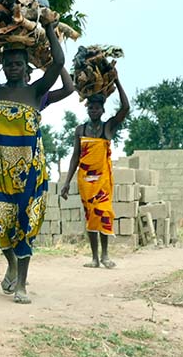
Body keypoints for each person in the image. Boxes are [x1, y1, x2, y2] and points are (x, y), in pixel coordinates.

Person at [0, 20, 66, 304]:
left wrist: (50, 29)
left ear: (26, 66)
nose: (13, 68)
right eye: (8, 64)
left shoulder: (36, 92)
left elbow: (58, 64)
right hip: (3, 172)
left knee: (25, 226)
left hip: (30, 171)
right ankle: (12, 264)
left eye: (18, 63)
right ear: (2, 66)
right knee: (0, 226)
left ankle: (21, 286)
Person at [60, 79, 130, 269]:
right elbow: (75, 157)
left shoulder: (108, 127)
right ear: (87, 109)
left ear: (103, 110)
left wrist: (117, 81)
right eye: (91, 107)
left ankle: (105, 255)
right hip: (85, 181)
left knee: (104, 213)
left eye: (97, 108)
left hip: (103, 180)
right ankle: (94, 258)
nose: (93, 110)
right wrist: (66, 182)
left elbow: (125, 108)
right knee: (91, 216)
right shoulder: (80, 130)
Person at [0, 67, 75, 184]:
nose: (20, 79)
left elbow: (68, 89)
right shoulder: (1, 98)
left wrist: (57, 65)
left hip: (30, 161)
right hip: (5, 163)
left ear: (28, 78)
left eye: (24, 74)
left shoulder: (37, 97)